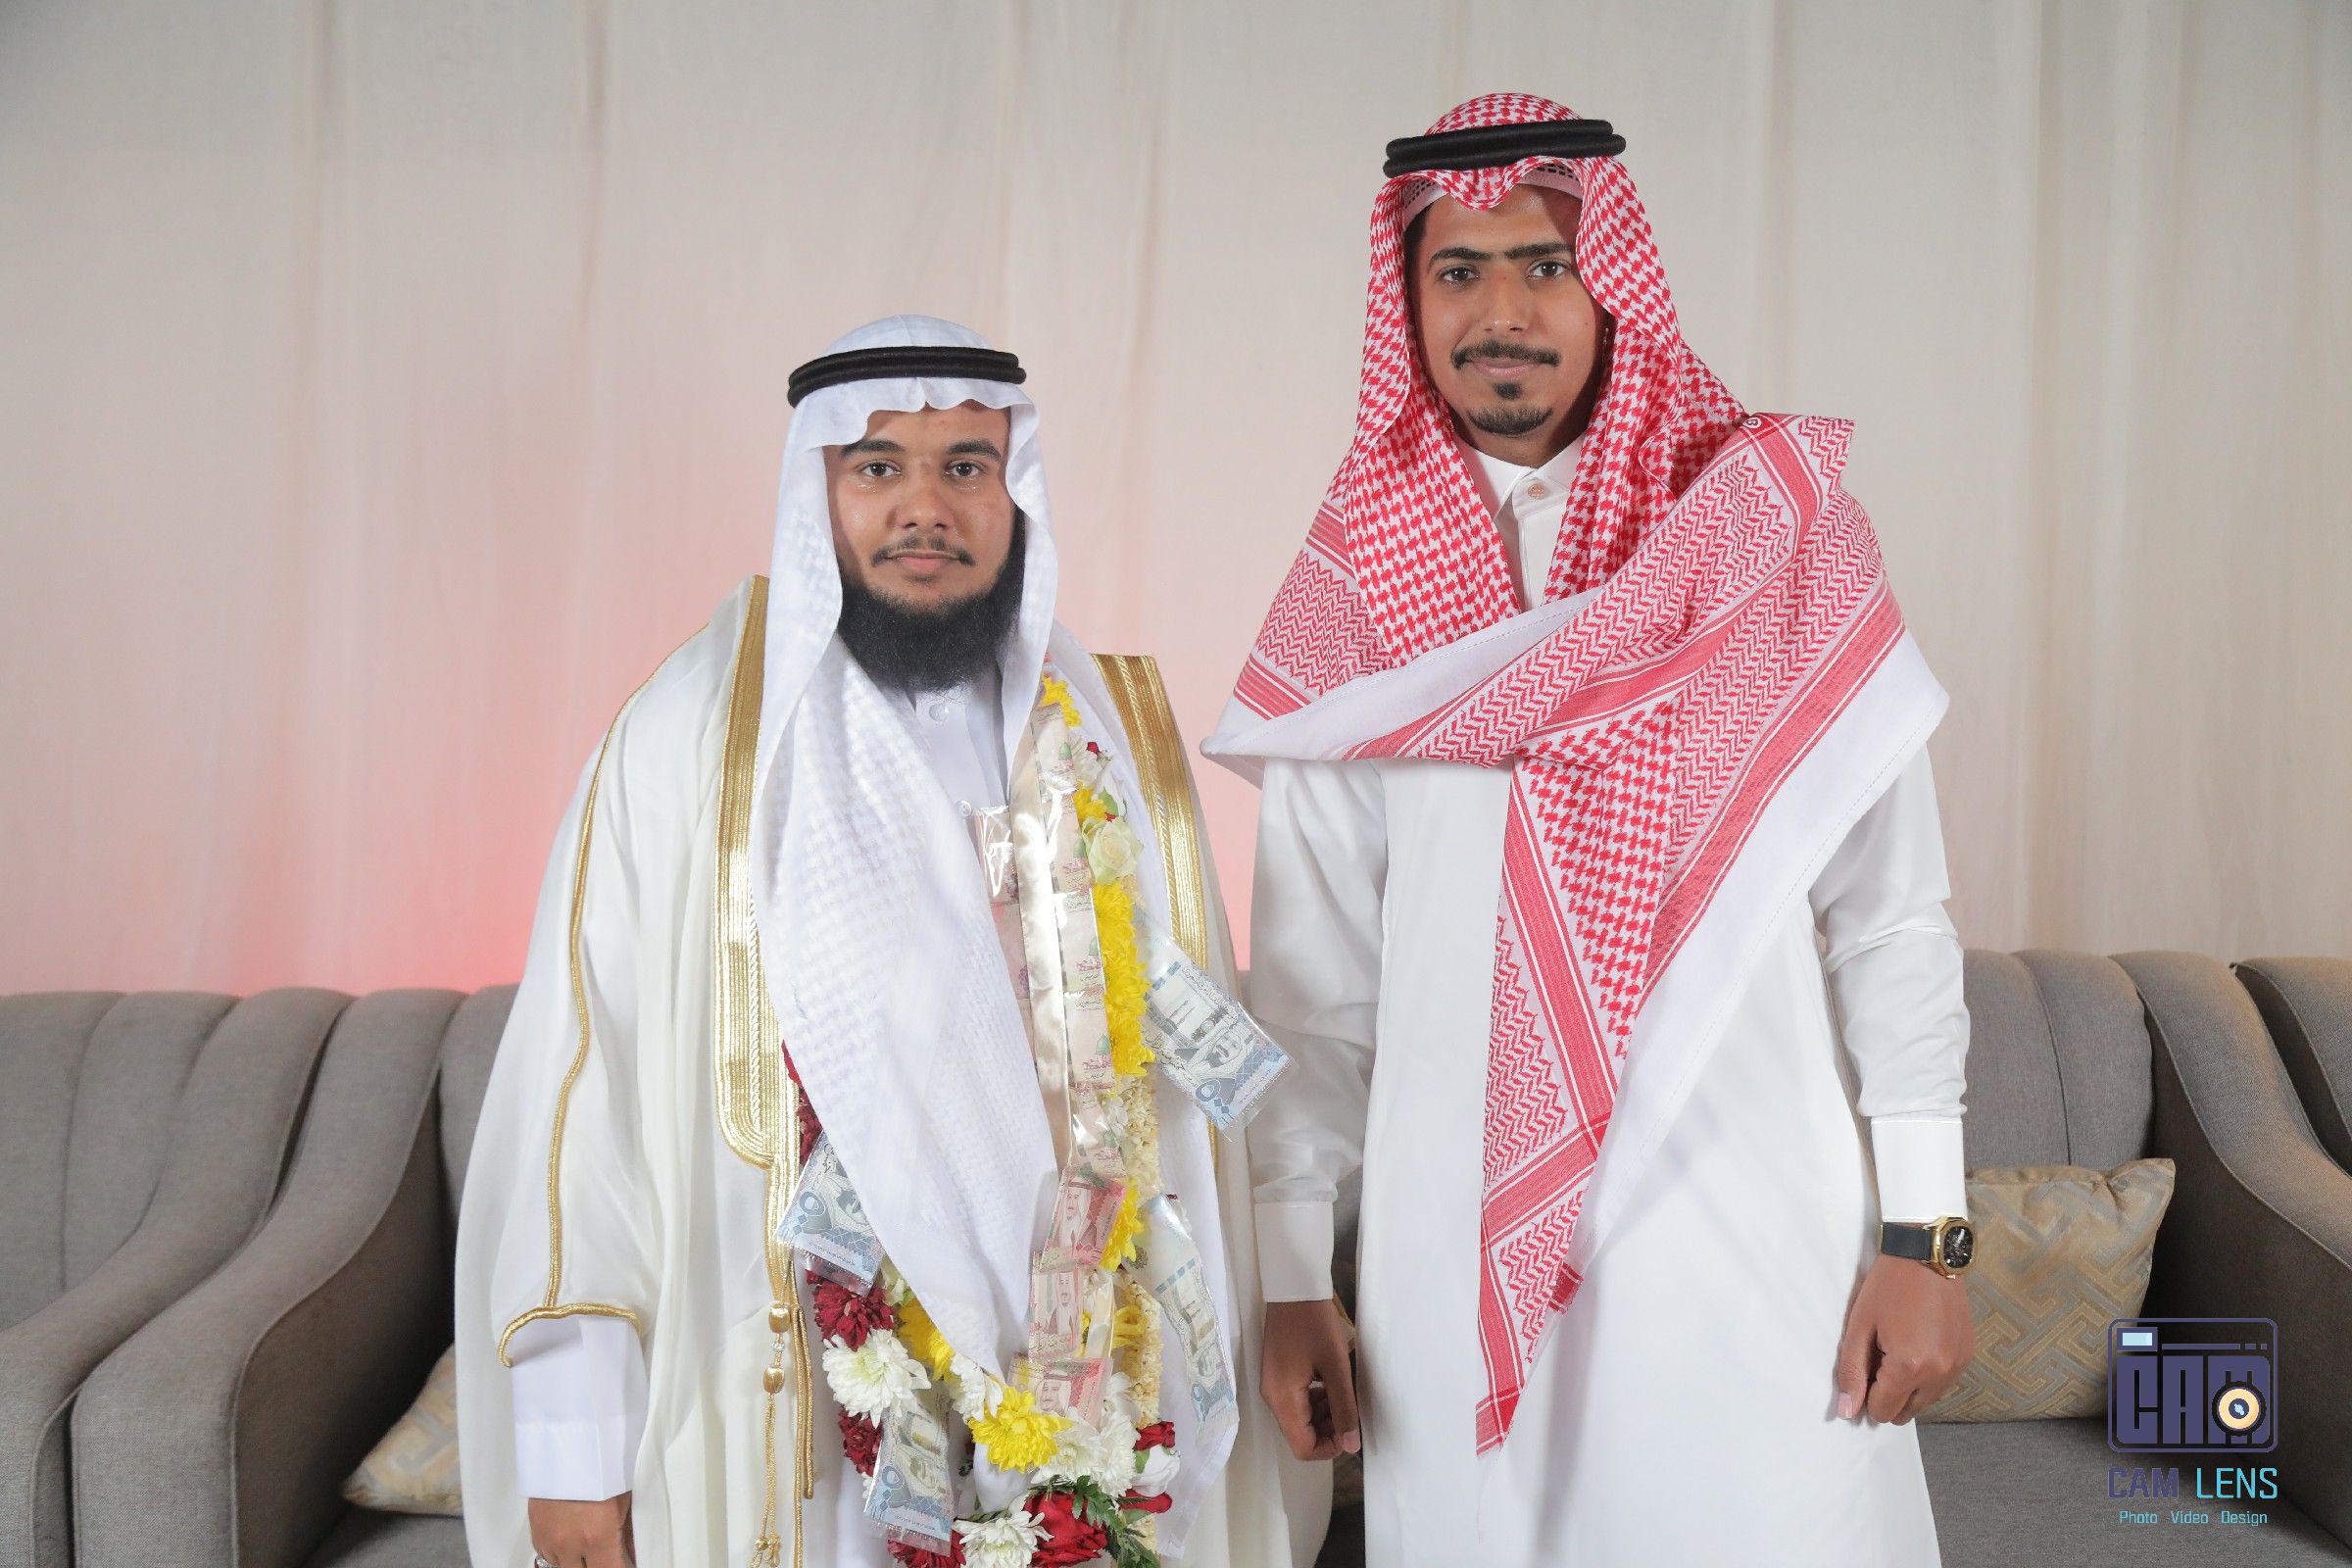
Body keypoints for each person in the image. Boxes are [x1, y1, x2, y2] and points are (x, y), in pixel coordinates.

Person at [1208, 94, 1978, 1565]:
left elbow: (1889, 920)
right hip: (1450, 1252)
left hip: (1751, 1233)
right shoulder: (1352, 587)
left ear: (1615, 280)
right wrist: (1295, 1270)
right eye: (1459, 270)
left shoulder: (1773, 541)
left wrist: (1925, 1234)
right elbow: (1315, 987)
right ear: (1408, 296)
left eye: (1546, 265)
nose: (1501, 311)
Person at [457, 317, 1322, 1568]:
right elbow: (582, 1100)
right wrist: (573, 1445)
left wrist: (1290, 1282)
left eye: (967, 466)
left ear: (1014, 491)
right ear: (817, 493)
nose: (926, 506)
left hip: (1087, 1392)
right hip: (815, 1393)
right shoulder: (692, 743)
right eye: (878, 467)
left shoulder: (1100, 735)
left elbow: (1183, 1108)